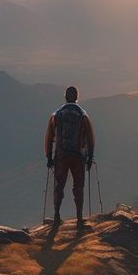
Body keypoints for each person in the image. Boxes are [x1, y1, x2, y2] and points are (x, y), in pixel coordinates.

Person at [43, 86, 95, 228]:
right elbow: (90, 138)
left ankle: (56, 217)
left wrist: (48, 156)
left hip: (61, 155)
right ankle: (79, 218)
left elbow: (49, 137)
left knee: (59, 185)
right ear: (77, 96)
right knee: (78, 185)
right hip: (78, 156)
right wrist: (90, 157)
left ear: (65, 97)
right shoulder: (83, 115)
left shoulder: (56, 114)